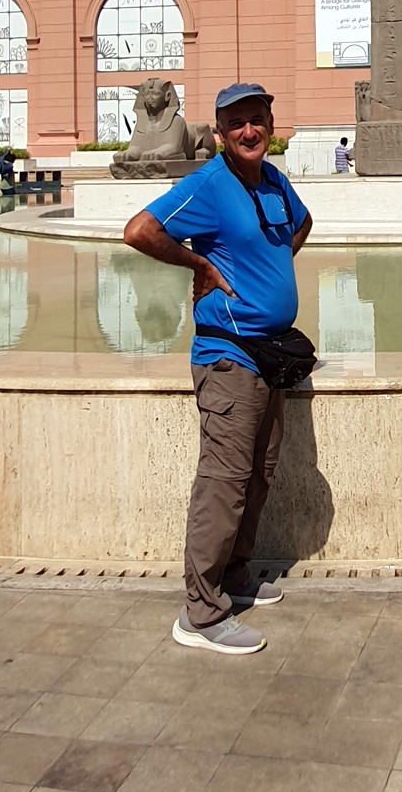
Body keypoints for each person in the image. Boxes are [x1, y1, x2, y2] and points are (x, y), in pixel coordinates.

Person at [124, 83, 313, 656]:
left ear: (270, 124)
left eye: (257, 119)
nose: (249, 131)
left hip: (270, 354)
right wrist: (198, 263)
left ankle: (234, 576)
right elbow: (140, 231)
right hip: (227, 357)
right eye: (237, 124)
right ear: (221, 133)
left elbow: (301, 224)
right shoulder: (209, 184)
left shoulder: (275, 181)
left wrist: (267, 271)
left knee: (260, 472)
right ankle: (201, 613)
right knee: (224, 482)